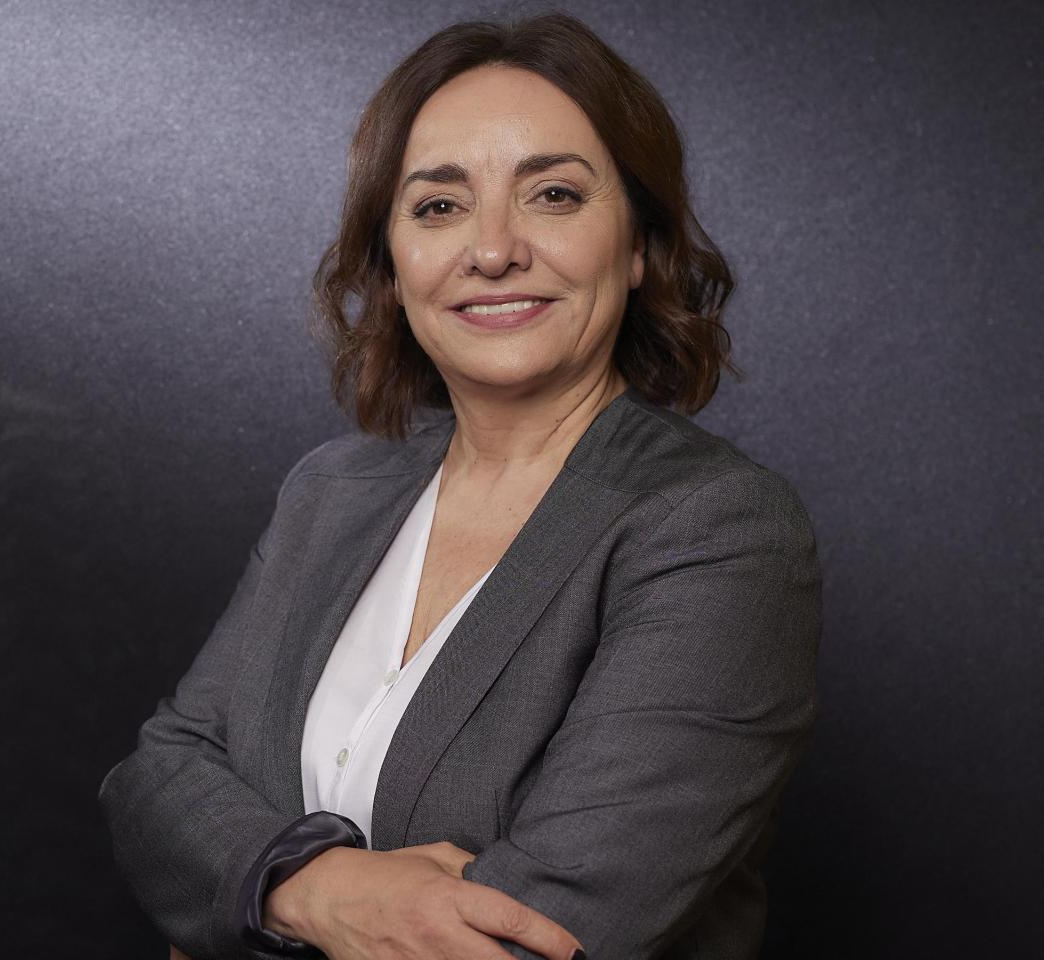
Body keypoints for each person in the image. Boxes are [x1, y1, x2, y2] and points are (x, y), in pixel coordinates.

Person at [99, 13, 822, 960]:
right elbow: (159, 780)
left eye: (554, 195)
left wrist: (235, 909)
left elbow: (545, 936)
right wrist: (312, 893)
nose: (492, 250)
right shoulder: (331, 490)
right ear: (393, 264)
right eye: (439, 206)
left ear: (640, 245)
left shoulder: (718, 529)